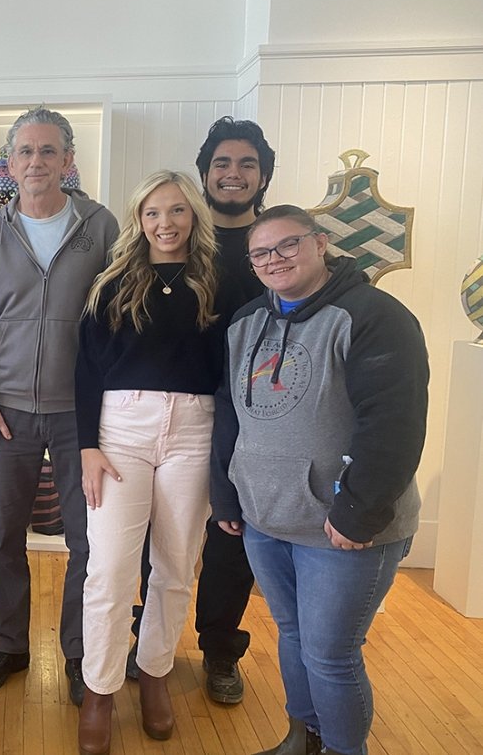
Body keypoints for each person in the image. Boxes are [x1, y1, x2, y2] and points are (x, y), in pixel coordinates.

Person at [211, 205, 428, 755]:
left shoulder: (375, 316)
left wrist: (358, 510)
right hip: (265, 519)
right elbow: (230, 414)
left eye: (288, 245)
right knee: (293, 638)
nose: (274, 259)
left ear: (320, 243)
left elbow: (393, 420)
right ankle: (303, 740)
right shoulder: (244, 324)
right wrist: (226, 491)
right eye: (261, 253)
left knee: (331, 654)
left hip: (344, 528)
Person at [0, 108, 118, 702]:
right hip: (8, 414)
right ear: (10, 162)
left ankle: (79, 656)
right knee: (5, 537)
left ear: (66, 160)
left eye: (48, 151)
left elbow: (117, 321)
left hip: (81, 414)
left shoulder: (100, 228)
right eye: (24, 152)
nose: (36, 162)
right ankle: (9, 645)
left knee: (86, 540)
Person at [127, 116, 275, 706]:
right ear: (204, 174)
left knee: (230, 531)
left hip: (253, 413)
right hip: (177, 411)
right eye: (221, 163)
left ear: (262, 176)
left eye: (246, 164)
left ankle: (218, 649)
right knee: (152, 532)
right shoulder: (176, 241)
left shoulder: (273, 242)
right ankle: (147, 641)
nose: (233, 174)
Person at [75, 171, 222, 751]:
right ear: (139, 219)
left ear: (194, 218)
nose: (167, 223)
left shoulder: (219, 281)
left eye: (179, 211)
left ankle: (156, 674)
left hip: (194, 431)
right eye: (154, 212)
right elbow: (85, 369)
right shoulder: (110, 283)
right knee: (109, 568)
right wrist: (88, 444)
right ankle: (100, 688)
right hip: (121, 432)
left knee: (176, 565)